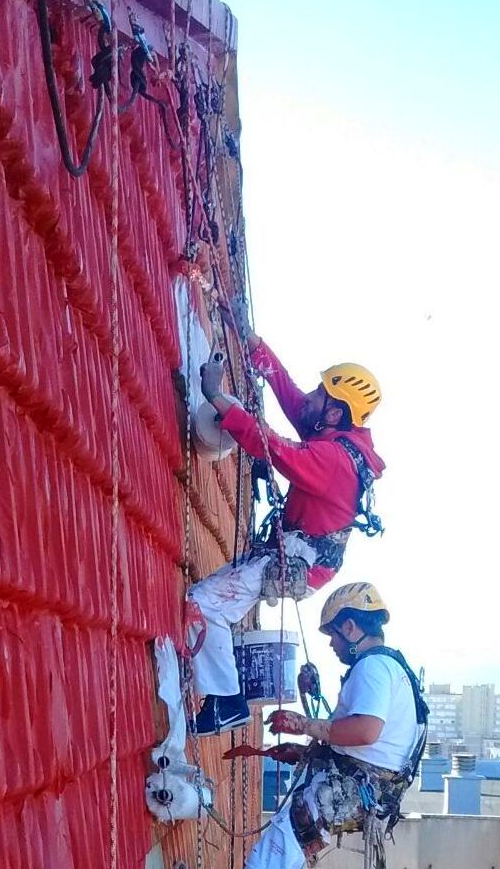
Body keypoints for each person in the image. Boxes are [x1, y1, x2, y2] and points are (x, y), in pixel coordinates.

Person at [188, 299, 386, 735]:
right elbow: (294, 400)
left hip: (300, 557)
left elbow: (276, 450)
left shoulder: (335, 460)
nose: (311, 397)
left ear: (334, 412)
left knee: (203, 605)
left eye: (321, 395)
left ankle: (226, 702)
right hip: (301, 551)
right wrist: (253, 343)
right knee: (212, 604)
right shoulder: (335, 434)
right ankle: (223, 692)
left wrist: (219, 400)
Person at [245, 582, 428, 869]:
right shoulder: (393, 667)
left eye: (333, 634)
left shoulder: (373, 667)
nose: (332, 644)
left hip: (355, 788)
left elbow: (365, 731)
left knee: (269, 856)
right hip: (372, 789)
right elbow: (364, 742)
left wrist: (303, 724)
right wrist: (304, 752)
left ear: (350, 627)